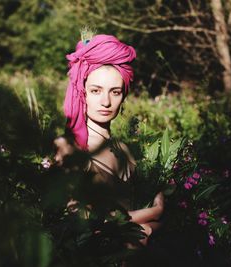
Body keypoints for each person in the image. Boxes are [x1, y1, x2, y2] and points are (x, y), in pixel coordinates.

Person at [54, 33, 164, 246]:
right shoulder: (69, 147)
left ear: (124, 96)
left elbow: (154, 232)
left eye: (115, 92)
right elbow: (80, 222)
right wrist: (152, 213)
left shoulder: (124, 149)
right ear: (82, 92)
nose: (106, 101)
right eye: (96, 91)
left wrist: (149, 227)